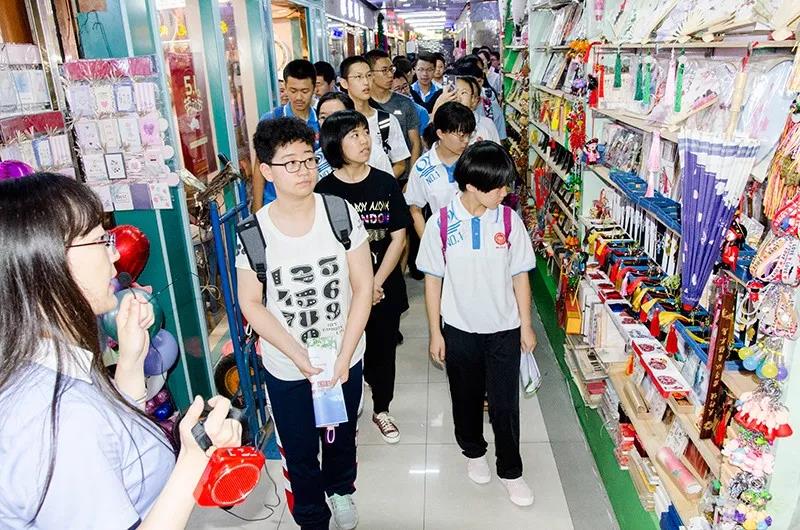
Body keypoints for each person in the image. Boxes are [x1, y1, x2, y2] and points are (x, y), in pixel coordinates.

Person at [0, 172, 242, 528]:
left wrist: (131, 360)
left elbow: (112, 434)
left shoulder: (49, 363)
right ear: (49, 263)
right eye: (101, 240)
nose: (114, 255)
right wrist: (195, 458)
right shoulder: (57, 419)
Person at [237, 117, 372, 530]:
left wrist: (344, 356)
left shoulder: (340, 213)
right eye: (290, 163)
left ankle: (341, 491)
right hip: (287, 364)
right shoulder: (254, 232)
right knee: (298, 447)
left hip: (344, 354)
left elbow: (363, 287)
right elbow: (251, 303)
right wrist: (297, 355)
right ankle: (312, 516)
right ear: (267, 171)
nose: (303, 170)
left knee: (340, 434)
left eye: (308, 159)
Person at [416, 141, 537, 508]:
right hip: (459, 329)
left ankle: (511, 470)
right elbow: (433, 280)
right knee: (465, 398)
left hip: (503, 328)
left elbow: (520, 275)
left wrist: (526, 325)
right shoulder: (441, 223)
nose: (504, 192)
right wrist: (435, 332)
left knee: (505, 404)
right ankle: (473, 451)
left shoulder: (508, 220)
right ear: (471, 185)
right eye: (497, 187)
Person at [315, 110, 411, 445]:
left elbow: (398, 238)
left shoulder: (385, 182)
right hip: (343, 291)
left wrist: (374, 284)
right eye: (354, 135)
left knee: (384, 348)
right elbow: (324, 249)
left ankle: (382, 409)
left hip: (383, 285)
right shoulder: (324, 191)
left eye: (365, 132)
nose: (364, 140)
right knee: (347, 348)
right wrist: (358, 288)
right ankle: (349, 406)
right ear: (334, 143)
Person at [405, 102, 475, 280]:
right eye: (460, 135)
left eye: (469, 134)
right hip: (446, 245)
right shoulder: (423, 167)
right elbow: (415, 209)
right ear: (440, 133)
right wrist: (430, 243)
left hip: (477, 242)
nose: (466, 141)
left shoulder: (475, 161)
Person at [254, 59, 320, 210]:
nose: (298, 97)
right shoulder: (271, 120)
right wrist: (257, 210)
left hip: (313, 203)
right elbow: (259, 166)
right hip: (275, 203)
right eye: (293, 91)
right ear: (285, 86)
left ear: (314, 88)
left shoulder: (322, 120)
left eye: (305, 91)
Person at [339, 56, 410, 179]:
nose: (366, 82)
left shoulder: (386, 120)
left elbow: (400, 164)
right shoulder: (338, 121)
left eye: (368, 75)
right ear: (344, 83)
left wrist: (380, 185)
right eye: (358, 77)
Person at [365, 49, 422, 174]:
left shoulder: (405, 103)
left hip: (403, 173)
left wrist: (412, 177)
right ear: (370, 74)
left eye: (391, 69)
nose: (390, 74)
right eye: (384, 70)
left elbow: (415, 142)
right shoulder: (363, 104)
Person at [315, 92, 355, 180]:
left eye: (336, 116)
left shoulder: (369, 152)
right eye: (323, 117)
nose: (329, 122)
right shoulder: (314, 161)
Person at [454, 76, 501, 144]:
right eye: (455, 92)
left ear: (475, 100)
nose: (458, 98)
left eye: (463, 93)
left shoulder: (487, 126)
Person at [392, 70, 430, 138]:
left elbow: (424, 140)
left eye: (405, 86)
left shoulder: (421, 111)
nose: (403, 91)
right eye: (398, 89)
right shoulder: (386, 111)